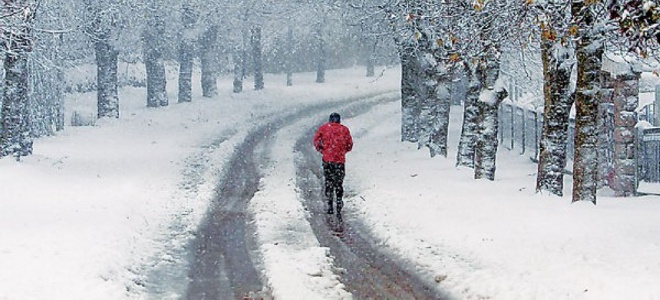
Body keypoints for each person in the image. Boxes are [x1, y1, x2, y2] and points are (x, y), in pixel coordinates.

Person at [313, 112, 353, 220]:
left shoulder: (324, 128)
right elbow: (349, 144)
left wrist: (323, 150)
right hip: (339, 160)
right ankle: (339, 201)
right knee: (339, 182)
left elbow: (316, 141)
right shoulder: (344, 129)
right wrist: (342, 151)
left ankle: (330, 202)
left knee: (329, 180)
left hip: (328, 159)